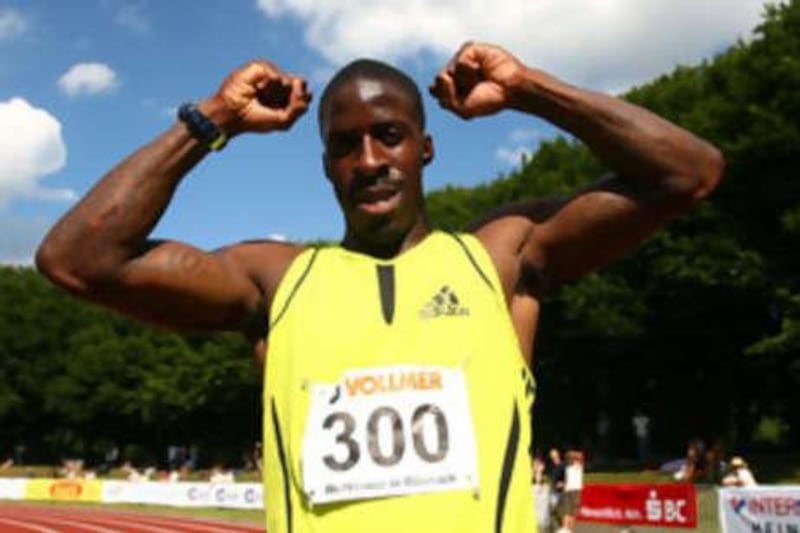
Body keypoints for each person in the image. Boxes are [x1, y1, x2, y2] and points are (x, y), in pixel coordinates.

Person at [35, 41, 723, 532]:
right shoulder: (277, 280)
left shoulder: (500, 257)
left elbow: (689, 173)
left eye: (389, 135)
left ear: (424, 148)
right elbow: (77, 258)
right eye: (345, 144)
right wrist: (213, 118)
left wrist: (527, 89)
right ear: (326, 165)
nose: (369, 160)